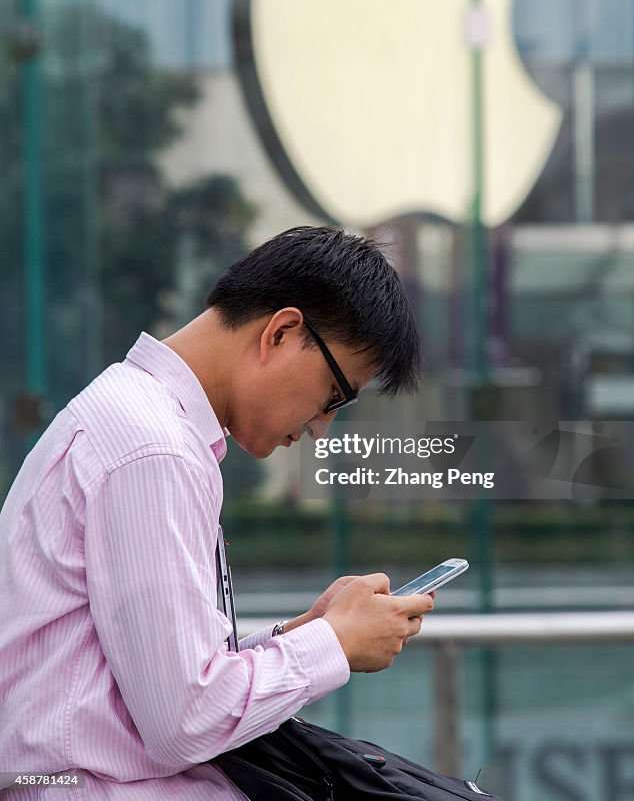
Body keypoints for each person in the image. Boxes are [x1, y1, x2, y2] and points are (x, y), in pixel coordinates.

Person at [0, 226, 435, 800]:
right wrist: (332, 644)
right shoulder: (153, 449)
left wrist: (305, 633)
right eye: (335, 395)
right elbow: (184, 723)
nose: (320, 426)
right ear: (281, 332)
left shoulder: (142, 422)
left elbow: (147, 687)